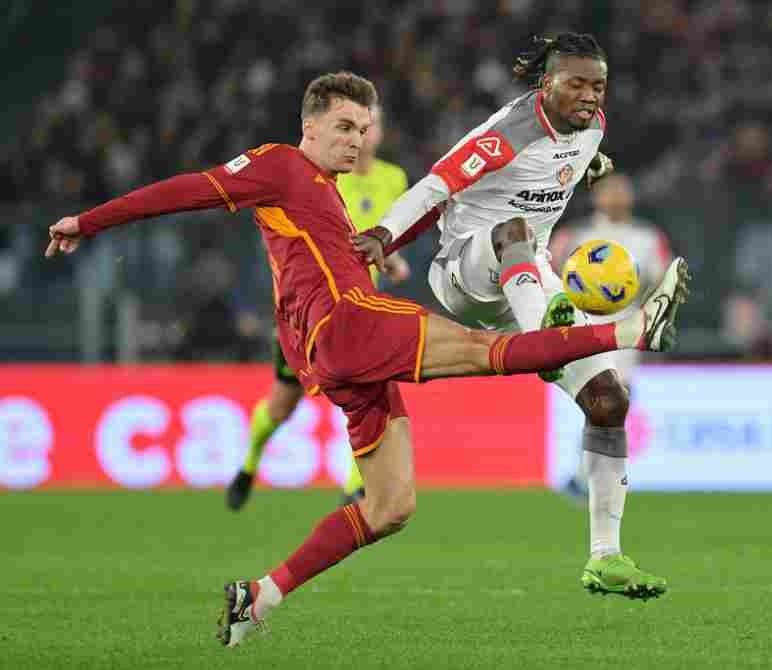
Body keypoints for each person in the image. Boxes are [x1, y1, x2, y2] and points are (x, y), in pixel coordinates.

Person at [44, 71, 689, 647]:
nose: (356, 141)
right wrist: (90, 222)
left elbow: (310, 262)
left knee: (391, 507)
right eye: (344, 127)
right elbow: (188, 190)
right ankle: (631, 328)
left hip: (332, 356)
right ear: (311, 125)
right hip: (351, 324)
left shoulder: (324, 189)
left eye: (364, 129)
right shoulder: (280, 165)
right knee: (490, 352)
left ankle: (259, 597)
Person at [358, 33, 684, 599]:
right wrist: (384, 235)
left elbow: (566, 166)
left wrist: (592, 163)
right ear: (546, 84)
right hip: (467, 271)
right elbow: (437, 187)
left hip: (529, 281)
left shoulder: (593, 127)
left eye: (598, 85)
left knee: (609, 400)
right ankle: (557, 331)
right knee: (514, 233)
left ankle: (605, 556)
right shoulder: (508, 131)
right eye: (576, 83)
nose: (589, 96)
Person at [225, 104, 411, 511]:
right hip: (308, 314)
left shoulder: (393, 179)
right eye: (354, 125)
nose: (364, 133)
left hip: (363, 310)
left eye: (371, 125)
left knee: (372, 391)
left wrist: (390, 257)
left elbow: (383, 233)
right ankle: (249, 463)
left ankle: (354, 487)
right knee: (281, 406)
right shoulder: (320, 177)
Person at [549, 174, 673, 498]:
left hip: (625, 331)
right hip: (584, 327)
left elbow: (662, 285)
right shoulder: (575, 235)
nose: (616, 196)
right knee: (600, 402)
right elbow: (548, 274)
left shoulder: (647, 237)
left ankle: (588, 475)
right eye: (609, 190)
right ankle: (591, 475)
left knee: (612, 403)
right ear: (596, 196)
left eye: (622, 190)